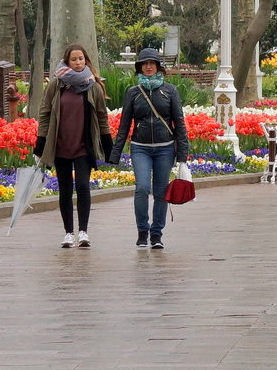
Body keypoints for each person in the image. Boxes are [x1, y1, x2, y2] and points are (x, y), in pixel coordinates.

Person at [108, 48, 189, 249]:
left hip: (165, 148)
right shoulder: (133, 93)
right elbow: (124, 125)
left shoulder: (170, 91)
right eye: (145, 64)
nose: (149, 67)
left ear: (158, 66)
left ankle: (157, 234)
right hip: (140, 147)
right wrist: (115, 154)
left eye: (152, 63)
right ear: (140, 68)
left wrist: (182, 155)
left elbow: (179, 123)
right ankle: (142, 231)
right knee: (142, 188)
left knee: (161, 191)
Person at [34, 44, 112, 249]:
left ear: (86, 60)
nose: (78, 63)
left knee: (84, 186)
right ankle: (68, 232)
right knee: (65, 189)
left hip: (83, 145)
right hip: (60, 145)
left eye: (81, 59)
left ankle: (83, 231)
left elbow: (102, 116)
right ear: (67, 62)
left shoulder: (94, 86)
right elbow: (44, 113)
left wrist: (107, 142)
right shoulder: (57, 85)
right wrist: (41, 141)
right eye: (74, 59)